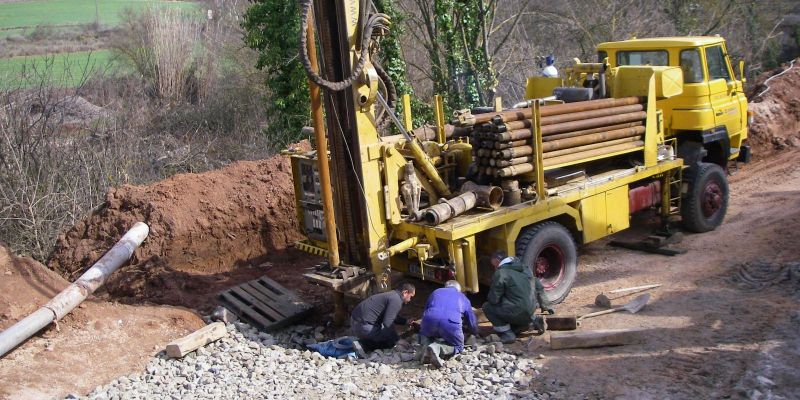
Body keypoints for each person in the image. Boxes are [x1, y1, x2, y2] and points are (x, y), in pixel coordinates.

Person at [482, 251, 544, 344]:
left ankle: (507, 334)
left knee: (487, 307)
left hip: (518, 310)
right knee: (518, 301)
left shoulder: (501, 273)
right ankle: (533, 321)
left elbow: (494, 299)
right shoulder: (524, 268)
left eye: (494, 265)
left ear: (498, 260)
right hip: (531, 309)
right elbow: (536, 285)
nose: (494, 268)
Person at [418, 280, 479, 368]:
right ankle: (437, 348)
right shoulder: (462, 297)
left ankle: (426, 347)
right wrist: (475, 332)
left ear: (446, 286)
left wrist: (423, 328)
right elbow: (471, 320)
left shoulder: (436, 292)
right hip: (450, 323)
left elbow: (425, 311)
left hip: (429, 320)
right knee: (458, 346)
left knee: (425, 334)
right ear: (458, 289)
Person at [350, 282, 415, 357]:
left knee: (389, 335)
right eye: (411, 297)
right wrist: (397, 339)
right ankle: (363, 345)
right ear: (405, 292)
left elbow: (391, 316)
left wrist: (406, 321)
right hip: (362, 325)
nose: (410, 300)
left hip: (356, 321)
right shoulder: (396, 300)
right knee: (389, 342)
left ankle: (364, 341)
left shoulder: (392, 295)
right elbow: (388, 322)